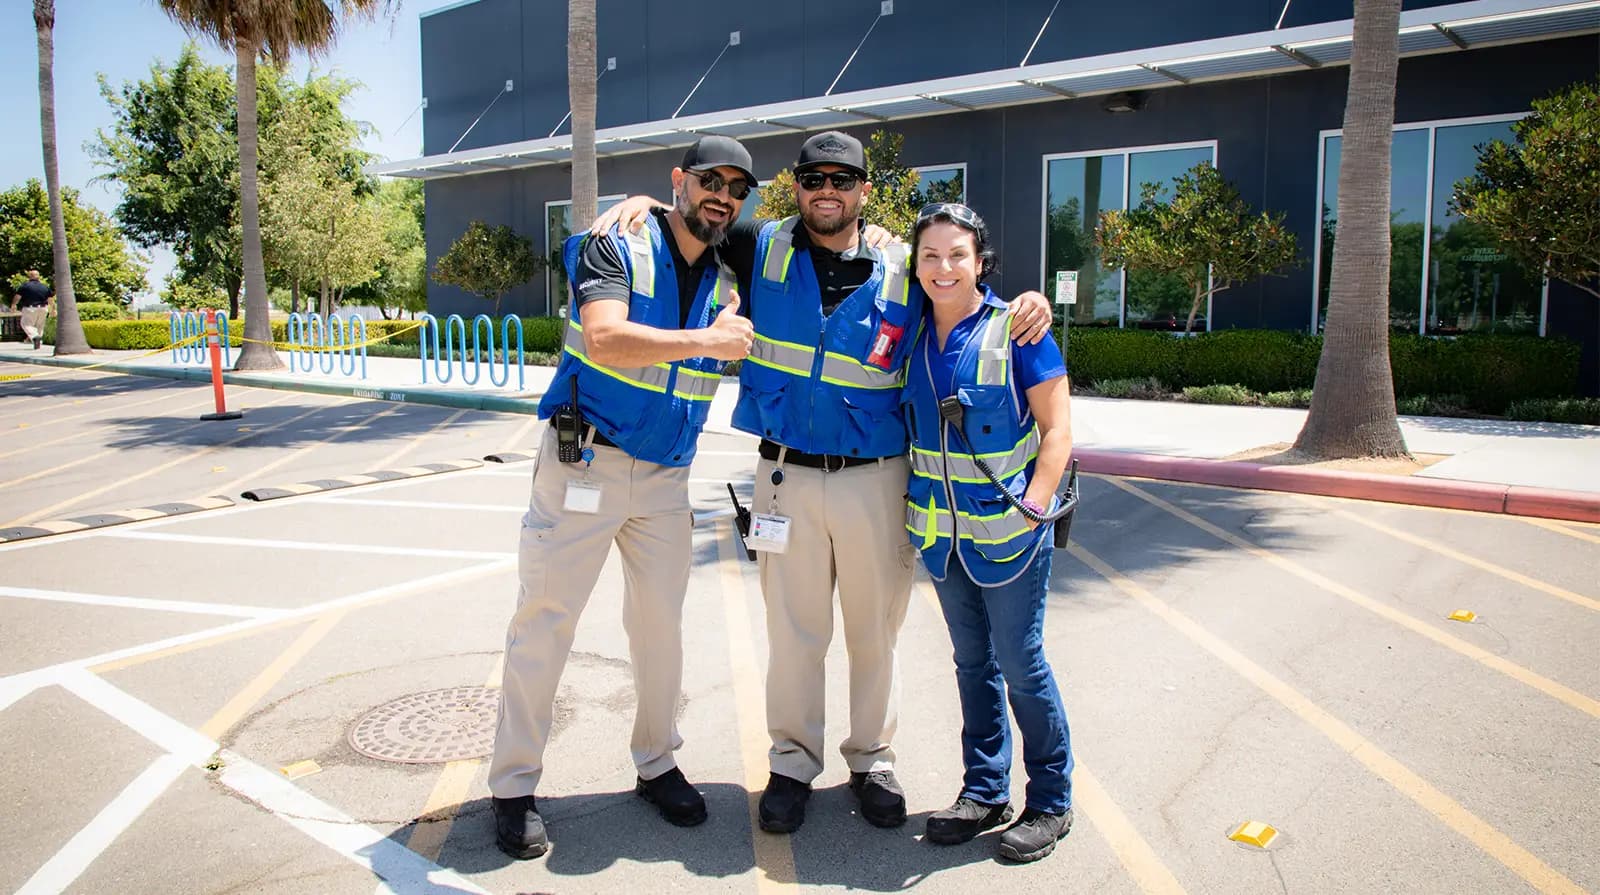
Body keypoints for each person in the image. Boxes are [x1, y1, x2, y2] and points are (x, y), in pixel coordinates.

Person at [592, 131, 1053, 835]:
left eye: (842, 179)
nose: (826, 190)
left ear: (864, 191)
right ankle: (792, 762)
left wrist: (1030, 304)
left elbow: (970, 296)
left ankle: (872, 760)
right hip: (785, 477)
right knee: (794, 633)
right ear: (797, 187)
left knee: (875, 632)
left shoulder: (906, 265)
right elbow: (694, 217)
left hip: (875, 477)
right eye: (813, 179)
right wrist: (642, 200)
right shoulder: (759, 244)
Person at [488, 135, 757, 860]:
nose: (722, 193)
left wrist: (888, 230)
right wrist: (706, 340)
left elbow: (826, 231)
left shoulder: (737, 262)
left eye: (736, 185)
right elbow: (604, 338)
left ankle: (657, 761)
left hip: (666, 478)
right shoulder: (615, 242)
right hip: (586, 462)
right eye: (709, 179)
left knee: (660, 631)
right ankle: (512, 785)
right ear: (678, 180)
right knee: (545, 621)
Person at [902, 203, 1075, 863]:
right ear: (916, 266)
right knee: (972, 664)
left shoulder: (1019, 329)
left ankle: (1051, 801)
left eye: (957, 255)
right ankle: (984, 791)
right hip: (942, 542)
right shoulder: (912, 334)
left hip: (1009, 538)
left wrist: (1035, 503)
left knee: (1023, 666)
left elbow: (1057, 431)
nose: (944, 267)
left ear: (980, 261)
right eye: (930, 256)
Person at [11, 270, 53, 350]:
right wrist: (53, 309)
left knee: (25, 324)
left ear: (30, 276)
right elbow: (50, 299)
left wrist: (13, 305)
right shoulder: (44, 286)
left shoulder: (25, 286)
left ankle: (34, 337)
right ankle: (38, 343)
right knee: (40, 326)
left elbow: (17, 297)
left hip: (30, 308)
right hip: (43, 308)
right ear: (38, 276)